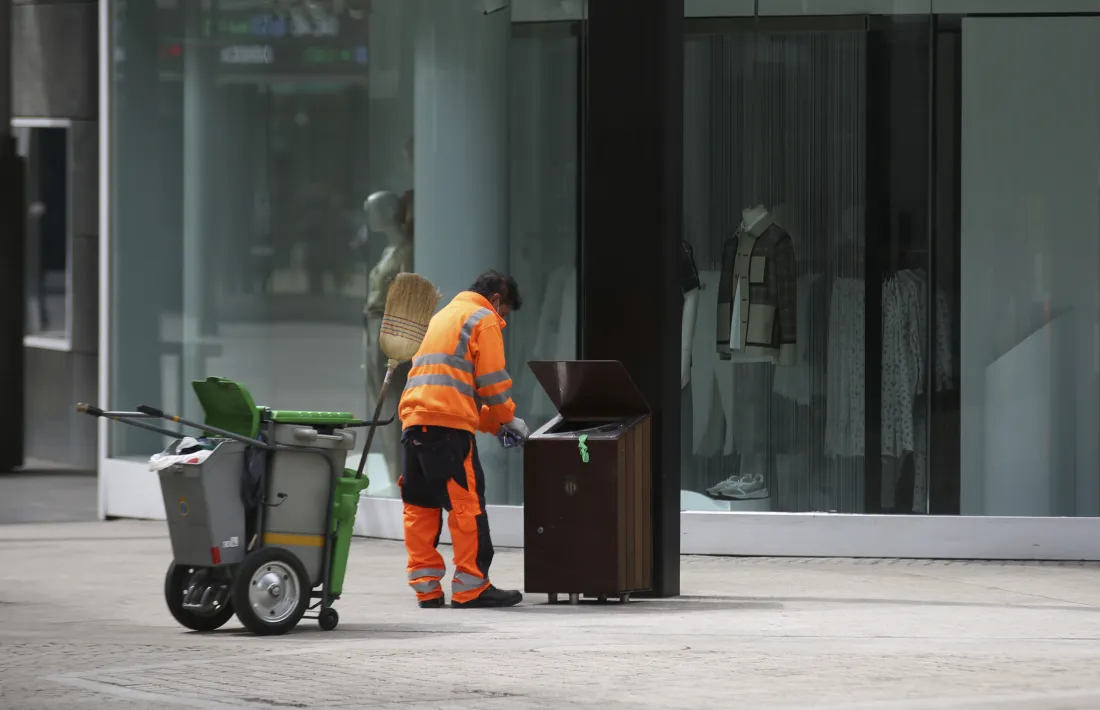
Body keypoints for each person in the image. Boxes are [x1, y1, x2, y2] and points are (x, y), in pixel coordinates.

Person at [397, 270, 530, 609]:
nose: (503, 321)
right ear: (497, 299)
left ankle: (426, 588)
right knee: (466, 505)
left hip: (414, 422)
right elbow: (491, 383)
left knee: (420, 505)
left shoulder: (441, 318)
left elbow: (453, 391)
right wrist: (508, 419)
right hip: (448, 431)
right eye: (506, 313)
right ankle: (471, 587)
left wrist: (493, 426)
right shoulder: (482, 317)